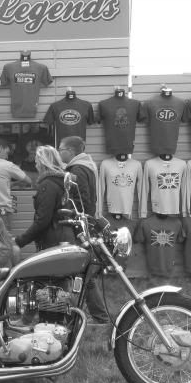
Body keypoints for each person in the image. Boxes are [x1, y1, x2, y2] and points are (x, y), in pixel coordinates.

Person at [57, 136, 111, 325]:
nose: (59, 152)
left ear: (71, 151)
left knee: (82, 273)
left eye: (61, 149)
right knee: (84, 273)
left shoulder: (77, 170)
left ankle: (91, 316)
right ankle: (84, 315)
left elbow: (83, 199)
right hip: (84, 224)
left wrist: (77, 219)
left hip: (79, 227)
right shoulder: (85, 166)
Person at [14, 146, 74, 250]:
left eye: (37, 162)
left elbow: (43, 220)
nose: (36, 166)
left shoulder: (47, 185)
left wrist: (20, 241)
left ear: (42, 163)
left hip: (52, 241)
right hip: (65, 236)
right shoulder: (63, 182)